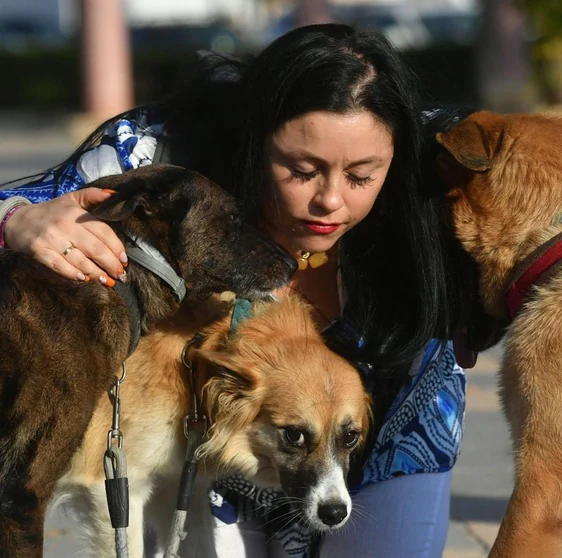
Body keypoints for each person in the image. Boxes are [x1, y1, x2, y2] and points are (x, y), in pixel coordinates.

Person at [0, 24, 465, 558]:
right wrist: (16, 221)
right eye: (302, 169)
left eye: (362, 176)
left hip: (392, 420)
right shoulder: (155, 150)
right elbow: (21, 204)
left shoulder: (440, 179)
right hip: (212, 441)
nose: (330, 201)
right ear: (254, 138)